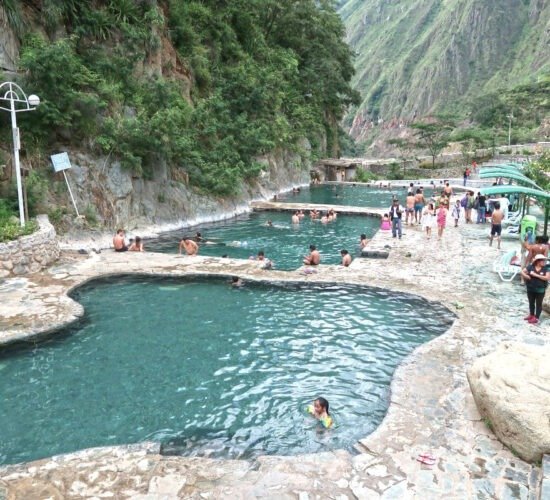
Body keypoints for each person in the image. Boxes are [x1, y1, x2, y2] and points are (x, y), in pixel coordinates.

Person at [520, 254, 549, 324]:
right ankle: (531, 314)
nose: (544, 262)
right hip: (530, 288)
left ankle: (536, 318)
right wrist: (526, 276)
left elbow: (547, 278)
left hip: (540, 290)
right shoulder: (530, 267)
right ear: (537, 261)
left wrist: (535, 275)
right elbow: (521, 271)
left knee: (538, 304)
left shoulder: (546, 268)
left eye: (544, 260)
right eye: (542, 260)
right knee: (531, 302)